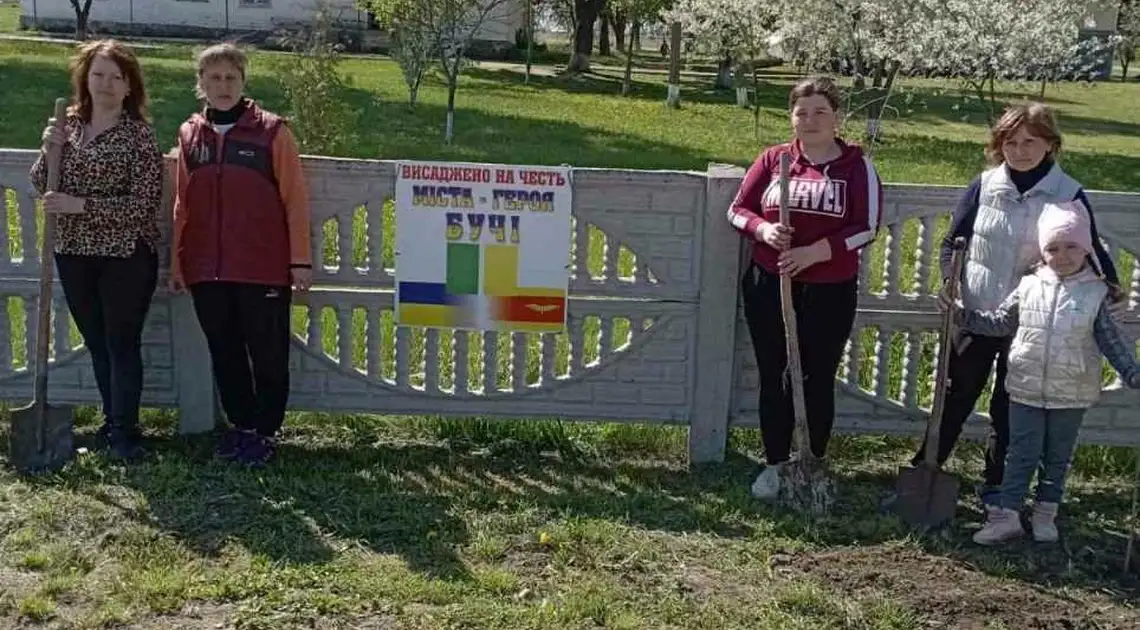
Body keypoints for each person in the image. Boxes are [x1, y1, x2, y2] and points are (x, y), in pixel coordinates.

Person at [907, 102, 1121, 509]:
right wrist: (950, 280)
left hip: (1032, 321)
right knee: (953, 396)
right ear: (998, 145)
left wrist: (1110, 285)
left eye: (1030, 142)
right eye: (1011, 142)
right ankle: (925, 470)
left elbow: (1088, 246)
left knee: (1009, 408)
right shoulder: (985, 185)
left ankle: (997, 489)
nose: (1020, 150)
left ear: (1050, 145)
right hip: (976, 310)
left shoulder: (1066, 192)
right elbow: (954, 242)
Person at [939, 202, 1140, 544]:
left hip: (1071, 391)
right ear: (1043, 252)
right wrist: (961, 316)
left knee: (1057, 457)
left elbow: (1113, 343)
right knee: (1021, 452)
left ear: (1087, 249)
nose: (1062, 255)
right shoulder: (1029, 285)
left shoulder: (1095, 294)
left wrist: (1132, 372)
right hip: (1025, 386)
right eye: (1052, 248)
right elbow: (1000, 322)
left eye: (1071, 246)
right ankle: (1008, 516)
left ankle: (1046, 514)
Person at [726, 76, 883, 500]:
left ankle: (811, 459)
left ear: (835, 117)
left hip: (829, 287)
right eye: (802, 112)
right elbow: (737, 210)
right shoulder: (774, 159)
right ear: (791, 117)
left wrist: (818, 252)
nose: (810, 120)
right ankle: (775, 463)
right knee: (774, 373)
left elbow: (866, 227)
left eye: (820, 112)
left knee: (816, 377)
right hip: (770, 283)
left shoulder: (856, 165)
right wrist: (764, 230)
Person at [169, 43, 312, 467]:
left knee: (267, 355)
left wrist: (299, 261)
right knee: (225, 352)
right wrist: (179, 263)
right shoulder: (189, 134)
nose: (223, 85)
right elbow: (182, 204)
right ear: (201, 85)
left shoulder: (272, 133)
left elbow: (295, 200)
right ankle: (242, 427)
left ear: (244, 82)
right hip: (206, 271)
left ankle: (265, 433)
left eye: (231, 77)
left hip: (262, 268)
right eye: (213, 78)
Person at [30, 39, 163, 461]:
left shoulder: (138, 135)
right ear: (85, 79)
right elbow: (41, 184)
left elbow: (143, 204)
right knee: (97, 342)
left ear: (129, 86)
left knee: (122, 343)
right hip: (73, 251)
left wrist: (80, 205)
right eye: (98, 74)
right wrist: (48, 147)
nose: (105, 84)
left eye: (115, 77)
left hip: (124, 254)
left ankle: (126, 434)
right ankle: (110, 424)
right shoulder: (66, 126)